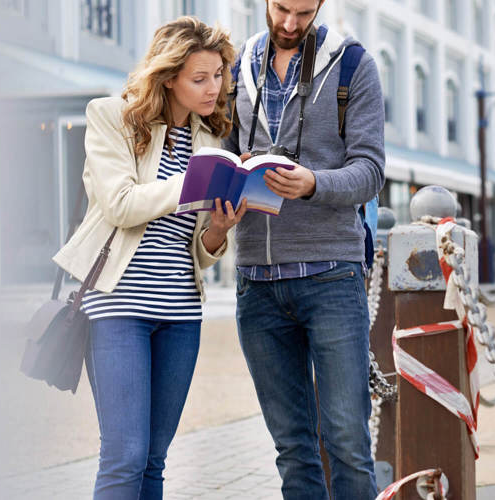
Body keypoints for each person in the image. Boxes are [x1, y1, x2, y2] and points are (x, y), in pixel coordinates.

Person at [52, 17, 246, 499]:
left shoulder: (207, 141)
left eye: (218, 75)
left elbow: (197, 250)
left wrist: (218, 232)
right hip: (119, 307)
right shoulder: (111, 117)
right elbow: (119, 205)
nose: (212, 88)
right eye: (199, 78)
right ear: (168, 78)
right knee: (125, 457)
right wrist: (191, 184)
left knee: (154, 462)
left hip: (181, 313)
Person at [223, 0, 385, 497]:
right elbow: (220, 154)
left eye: (304, 12)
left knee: (348, 443)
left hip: (331, 276)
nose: (291, 24)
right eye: (281, 9)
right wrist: (232, 175)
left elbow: (371, 171)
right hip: (258, 284)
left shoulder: (354, 65)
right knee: (293, 448)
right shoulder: (234, 69)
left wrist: (313, 182)